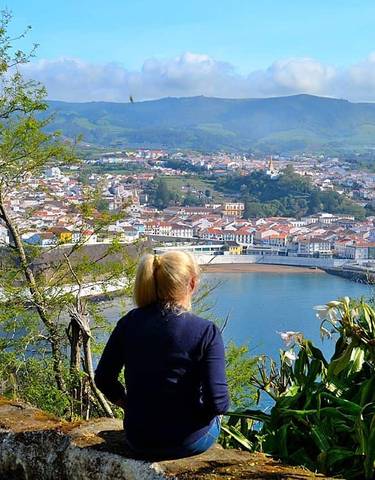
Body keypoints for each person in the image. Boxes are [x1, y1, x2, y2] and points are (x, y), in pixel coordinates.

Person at [94, 250, 230, 459]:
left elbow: (103, 378)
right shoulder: (205, 331)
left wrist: (128, 405)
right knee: (214, 423)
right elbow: (218, 403)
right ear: (191, 284)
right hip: (186, 441)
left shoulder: (128, 323)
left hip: (138, 438)